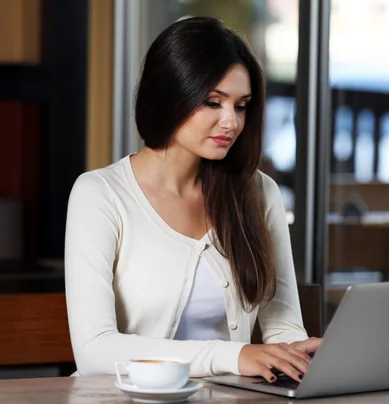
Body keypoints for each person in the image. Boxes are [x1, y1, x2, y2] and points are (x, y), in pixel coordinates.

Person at [64, 16, 321, 384]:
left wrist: (305, 355)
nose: (230, 122)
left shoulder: (259, 193)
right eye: (213, 102)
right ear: (170, 95)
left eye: (241, 105)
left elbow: (283, 327)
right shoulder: (99, 195)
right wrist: (235, 356)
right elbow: (94, 350)